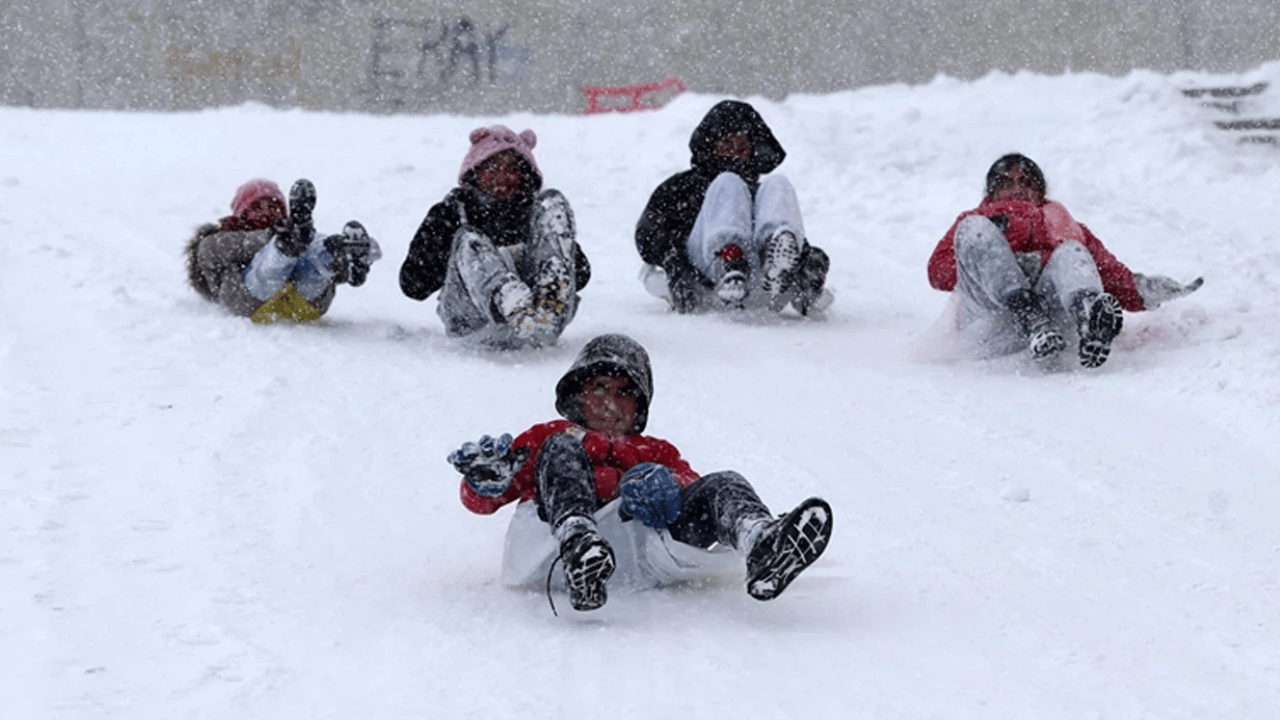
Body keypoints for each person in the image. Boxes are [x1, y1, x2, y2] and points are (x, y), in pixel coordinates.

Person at [447, 333, 834, 613]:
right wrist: (485, 482)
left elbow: (690, 485)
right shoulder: (551, 435)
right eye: (599, 387)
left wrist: (664, 485)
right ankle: (580, 542)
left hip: (640, 556)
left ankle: (762, 544)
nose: (609, 403)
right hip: (556, 551)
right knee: (563, 452)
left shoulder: (656, 451)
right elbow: (484, 502)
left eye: (623, 392)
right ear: (578, 393)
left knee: (724, 483)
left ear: (640, 404)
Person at [926, 153, 1202, 367]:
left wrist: (1145, 289)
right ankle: (1028, 314)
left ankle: (1088, 320)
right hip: (991, 322)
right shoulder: (976, 221)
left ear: (1040, 192)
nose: (1017, 189)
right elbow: (939, 274)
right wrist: (996, 250)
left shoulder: (1065, 224)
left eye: (1026, 182)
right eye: (1007, 183)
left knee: (1072, 250)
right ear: (992, 193)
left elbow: (1105, 271)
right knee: (973, 231)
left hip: (1054, 326)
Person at [399, 125, 590, 348]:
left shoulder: (534, 214)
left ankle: (549, 299)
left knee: (552, 203)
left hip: (539, 323)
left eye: (511, 169)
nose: (501, 177)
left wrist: (548, 254)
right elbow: (413, 286)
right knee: (470, 240)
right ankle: (507, 298)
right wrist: (441, 242)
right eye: (491, 167)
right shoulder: (452, 212)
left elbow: (582, 274)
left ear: (524, 176)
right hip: (474, 325)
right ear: (475, 171)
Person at [635, 99, 832, 315]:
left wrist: (807, 259)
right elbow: (648, 233)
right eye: (726, 145)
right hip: (705, 276)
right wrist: (673, 260)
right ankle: (730, 260)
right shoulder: (684, 186)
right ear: (710, 146)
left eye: (742, 147)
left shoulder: (761, 192)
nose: (734, 153)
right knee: (728, 182)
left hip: (764, 282)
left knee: (778, 183)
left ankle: (773, 263)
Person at [185, 178, 381, 323]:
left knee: (314, 259)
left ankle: (341, 253)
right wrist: (269, 237)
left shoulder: (297, 235)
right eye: (256, 206)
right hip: (252, 303)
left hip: (306, 303)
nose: (266, 211)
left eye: (274, 205)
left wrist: (343, 268)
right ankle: (283, 250)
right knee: (270, 264)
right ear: (241, 214)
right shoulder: (225, 237)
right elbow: (212, 250)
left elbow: (331, 275)